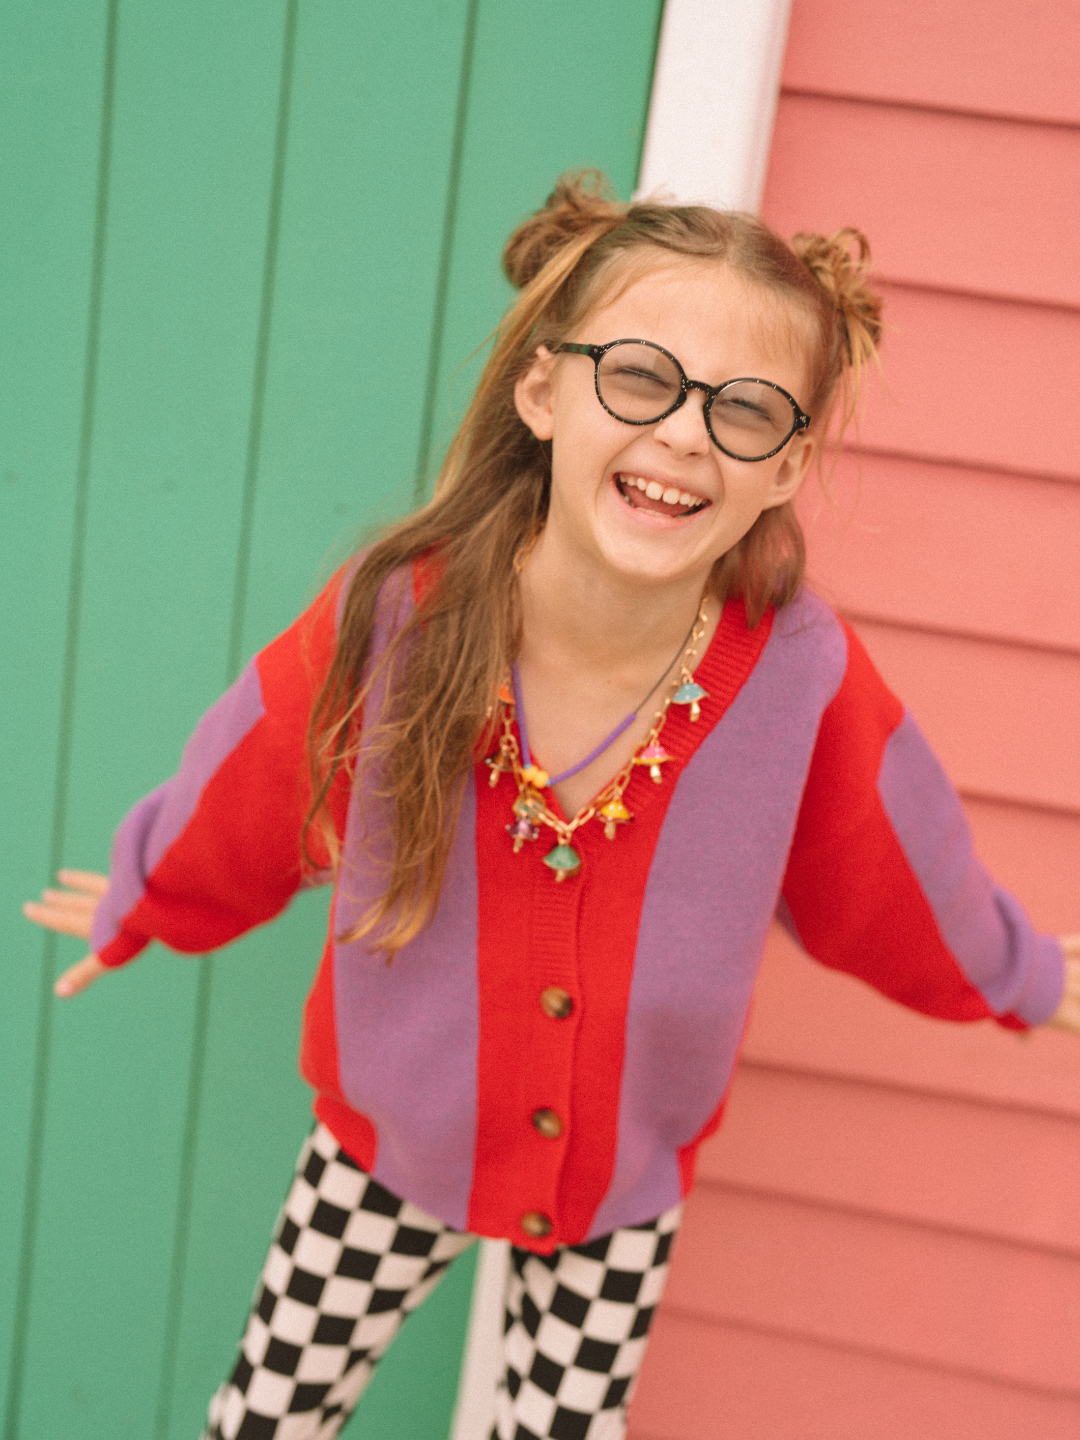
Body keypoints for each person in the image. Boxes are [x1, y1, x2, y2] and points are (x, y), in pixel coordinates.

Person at [25, 173, 1080, 1440]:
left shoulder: (800, 674)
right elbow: (250, 781)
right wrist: (150, 895)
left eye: (746, 411)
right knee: (265, 1420)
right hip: (383, 1149)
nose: (688, 434)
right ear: (543, 390)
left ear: (787, 463)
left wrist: (1018, 972)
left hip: (619, 1184)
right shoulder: (399, 614)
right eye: (640, 379)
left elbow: (895, 869)